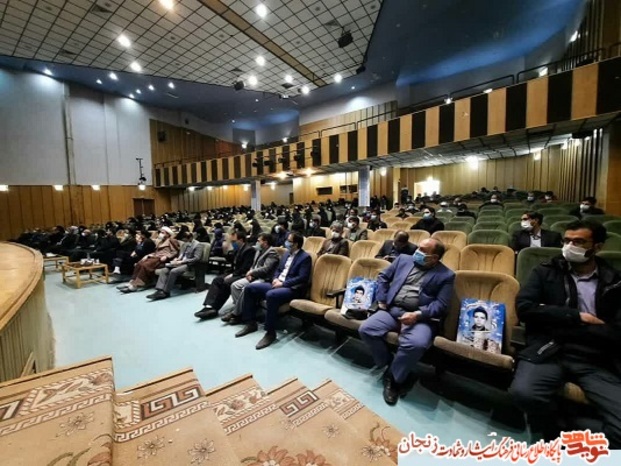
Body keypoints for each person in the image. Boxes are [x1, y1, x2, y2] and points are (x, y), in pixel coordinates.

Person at [509, 220, 621, 448]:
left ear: (597, 246)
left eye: (578, 242)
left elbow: (616, 328)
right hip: (550, 348)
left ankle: (568, 431)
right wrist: (576, 317)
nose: (570, 246)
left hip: (595, 356)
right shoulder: (545, 271)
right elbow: (525, 308)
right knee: (524, 394)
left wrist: (554, 317)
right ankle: (555, 428)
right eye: (567, 241)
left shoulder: (615, 281)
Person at [359, 238, 455, 405]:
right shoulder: (403, 259)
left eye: (423, 250)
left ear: (434, 257)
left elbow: (441, 305)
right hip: (393, 310)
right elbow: (383, 277)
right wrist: (382, 299)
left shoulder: (446, 275)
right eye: (418, 248)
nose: (417, 251)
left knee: (416, 344)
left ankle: (394, 379)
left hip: (420, 318)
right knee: (366, 329)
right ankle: (390, 364)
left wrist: (417, 314)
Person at [236, 232, 312, 350]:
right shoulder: (286, 254)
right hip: (277, 283)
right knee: (250, 288)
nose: (286, 242)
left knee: (271, 295)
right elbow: (278, 270)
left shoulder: (305, 257)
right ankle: (250, 323)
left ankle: (270, 333)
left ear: (296, 244)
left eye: (289, 241)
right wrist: (276, 278)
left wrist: (283, 284)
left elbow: (302, 277)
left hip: (291, 288)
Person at [194, 230, 255, 319]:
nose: (233, 243)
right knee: (217, 280)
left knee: (226, 283)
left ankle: (215, 308)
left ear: (241, 240)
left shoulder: (249, 250)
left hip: (243, 274)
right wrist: (226, 250)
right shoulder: (238, 249)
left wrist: (233, 274)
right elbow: (231, 262)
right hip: (235, 272)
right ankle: (209, 305)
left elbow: (246, 267)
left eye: (234, 241)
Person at [221, 233, 280, 324]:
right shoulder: (258, 251)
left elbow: (266, 269)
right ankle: (243, 312)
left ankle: (235, 314)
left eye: (259, 240)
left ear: (265, 242)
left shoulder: (272, 252)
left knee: (246, 289)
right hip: (254, 277)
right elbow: (253, 265)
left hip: (264, 279)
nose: (257, 242)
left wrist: (252, 272)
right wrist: (250, 273)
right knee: (235, 286)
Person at [118, 227, 180, 293]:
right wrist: (148, 255)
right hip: (155, 257)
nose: (160, 234)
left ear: (168, 234)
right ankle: (132, 281)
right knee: (139, 263)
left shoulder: (172, 241)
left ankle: (136, 285)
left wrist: (167, 256)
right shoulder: (161, 241)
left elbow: (175, 251)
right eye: (160, 232)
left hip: (162, 259)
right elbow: (156, 251)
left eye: (163, 233)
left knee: (145, 265)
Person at [147, 231, 205, 300]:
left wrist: (182, 261)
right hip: (180, 262)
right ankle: (159, 290)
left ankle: (166, 292)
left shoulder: (198, 245)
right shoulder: (185, 244)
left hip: (189, 264)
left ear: (190, 238)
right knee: (164, 270)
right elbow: (182, 254)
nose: (184, 242)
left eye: (185, 240)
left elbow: (196, 258)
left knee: (173, 271)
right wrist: (177, 259)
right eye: (184, 240)